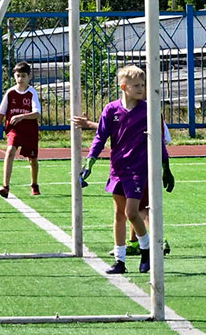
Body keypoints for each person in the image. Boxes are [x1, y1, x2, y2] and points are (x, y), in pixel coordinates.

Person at [74, 65, 175, 275]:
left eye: (143, 85)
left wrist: (166, 168)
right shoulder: (111, 110)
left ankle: (146, 249)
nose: (141, 88)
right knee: (119, 215)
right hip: (117, 168)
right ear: (123, 87)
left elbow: (159, 141)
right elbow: (100, 137)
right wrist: (89, 163)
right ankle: (120, 261)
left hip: (138, 169)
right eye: (136, 85)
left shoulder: (149, 110)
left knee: (132, 212)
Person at [0, 62, 43, 198]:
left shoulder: (31, 92)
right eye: (18, 76)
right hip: (14, 130)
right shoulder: (10, 93)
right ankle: (5, 187)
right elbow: (1, 113)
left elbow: (37, 113)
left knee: (32, 159)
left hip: (29, 131)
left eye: (23, 76)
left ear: (29, 77)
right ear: (14, 76)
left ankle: (34, 184)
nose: (20, 79)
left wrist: (21, 117)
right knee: (10, 151)